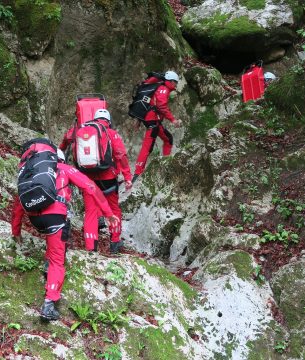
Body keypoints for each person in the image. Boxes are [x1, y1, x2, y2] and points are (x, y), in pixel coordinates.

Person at [11, 146, 119, 321]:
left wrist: (16, 231)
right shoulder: (64, 169)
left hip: (35, 219)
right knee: (57, 261)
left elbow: (18, 206)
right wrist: (108, 213)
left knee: (52, 240)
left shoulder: (32, 175)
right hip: (55, 217)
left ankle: (48, 262)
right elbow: (90, 186)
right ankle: (49, 303)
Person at [59, 109, 133, 253]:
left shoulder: (79, 129)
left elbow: (66, 138)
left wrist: (60, 151)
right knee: (114, 209)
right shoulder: (111, 133)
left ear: (95, 119)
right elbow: (121, 155)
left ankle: (91, 247)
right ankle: (115, 242)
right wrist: (127, 177)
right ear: (108, 121)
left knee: (91, 212)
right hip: (108, 178)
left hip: (88, 178)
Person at [133, 70, 182, 182]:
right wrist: (173, 120)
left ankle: (165, 162)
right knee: (147, 147)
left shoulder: (158, 87)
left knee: (168, 139)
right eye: (175, 82)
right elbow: (161, 106)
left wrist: (139, 121)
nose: (175, 85)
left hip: (153, 121)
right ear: (170, 81)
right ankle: (137, 172)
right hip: (153, 121)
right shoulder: (163, 89)